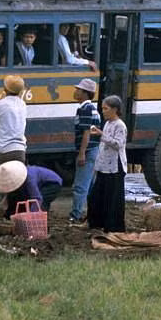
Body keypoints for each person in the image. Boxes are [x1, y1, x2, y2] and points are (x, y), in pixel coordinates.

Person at [86, 95, 127, 233]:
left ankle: (113, 227)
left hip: (115, 166)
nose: (103, 111)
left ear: (115, 109)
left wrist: (101, 135)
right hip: (104, 165)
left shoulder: (120, 125)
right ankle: (97, 223)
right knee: (97, 196)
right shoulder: (108, 123)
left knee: (113, 198)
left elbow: (118, 144)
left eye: (106, 108)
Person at [69, 78, 100, 224]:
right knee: (90, 186)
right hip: (94, 150)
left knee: (80, 186)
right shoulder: (91, 108)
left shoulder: (85, 109)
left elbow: (86, 133)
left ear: (85, 93)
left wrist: (82, 153)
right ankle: (93, 213)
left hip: (88, 151)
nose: (75, 92)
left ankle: (75, 215)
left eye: (78, 90)